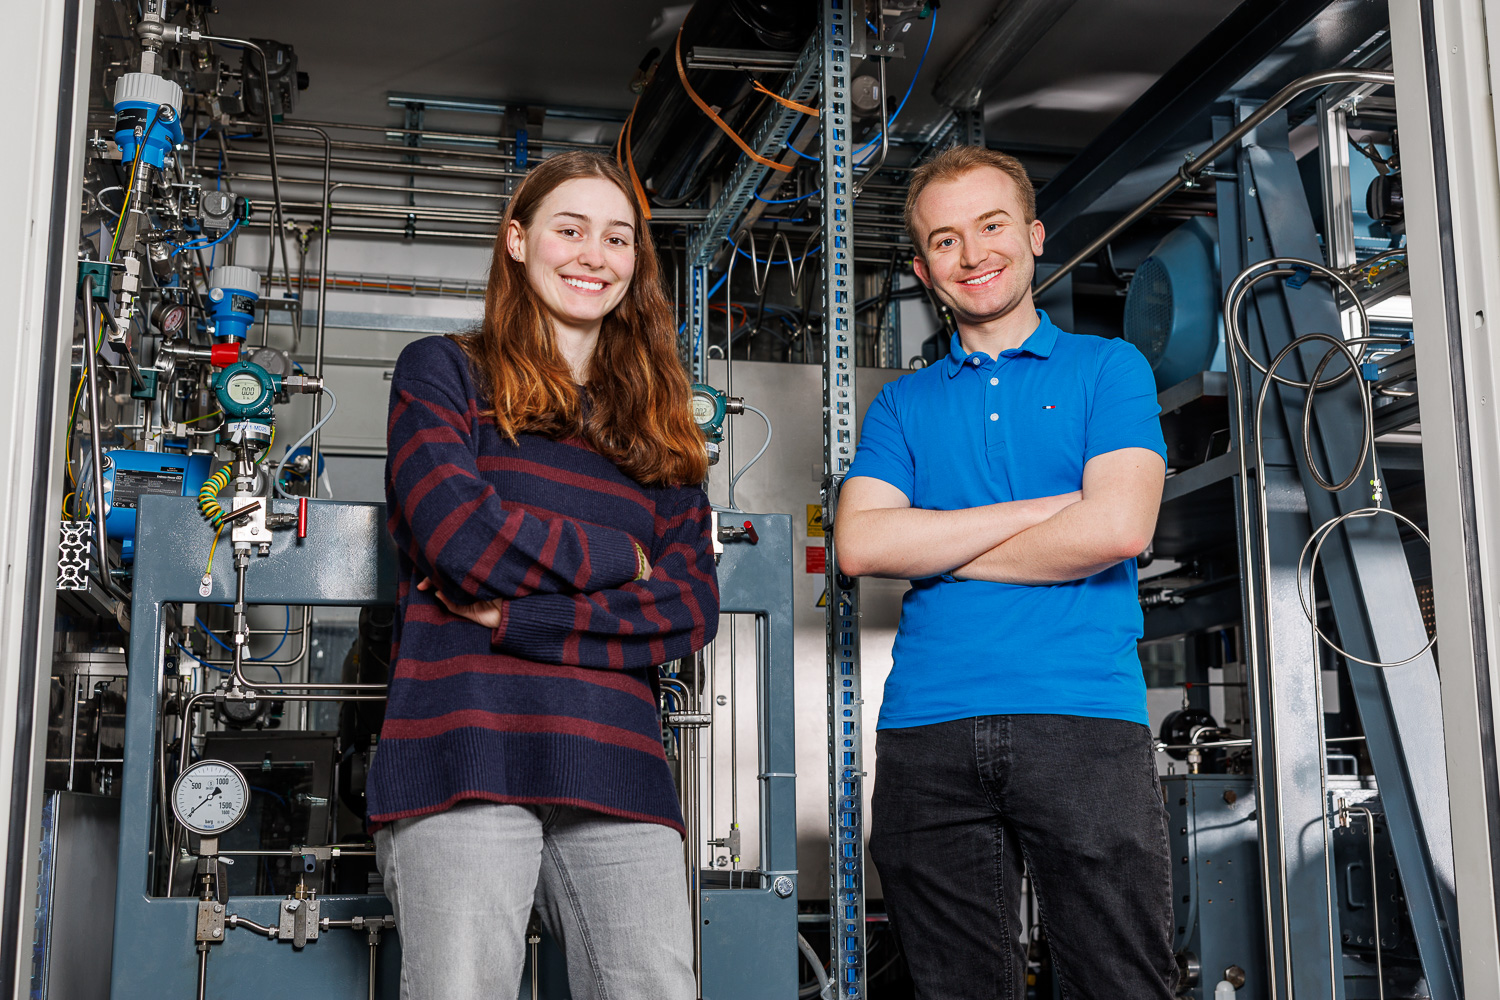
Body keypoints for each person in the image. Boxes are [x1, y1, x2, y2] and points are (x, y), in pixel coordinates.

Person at [368, 150, 718, 1000]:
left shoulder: (660, 430)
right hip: (466, 752)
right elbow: (458, 538)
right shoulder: (443, 372)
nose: (593, 255)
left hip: (620, 768)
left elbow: (689, 609)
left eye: (617, 238)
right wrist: (617, 560)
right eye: (570, 230)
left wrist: (522, 619)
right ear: (518, 242)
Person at [834, 144, 1174, 999]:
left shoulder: (1109, 368)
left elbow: (1120, 527)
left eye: (991, 227)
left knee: (1118, 984)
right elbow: (862, 548)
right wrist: (1053, 509)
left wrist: (939, 545)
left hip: (1083, 719)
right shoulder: (901, 404)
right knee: (951, 988)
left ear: (1033, 234)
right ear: (921, 269)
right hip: (928, 728)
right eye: (944, 241)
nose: (973, 253)